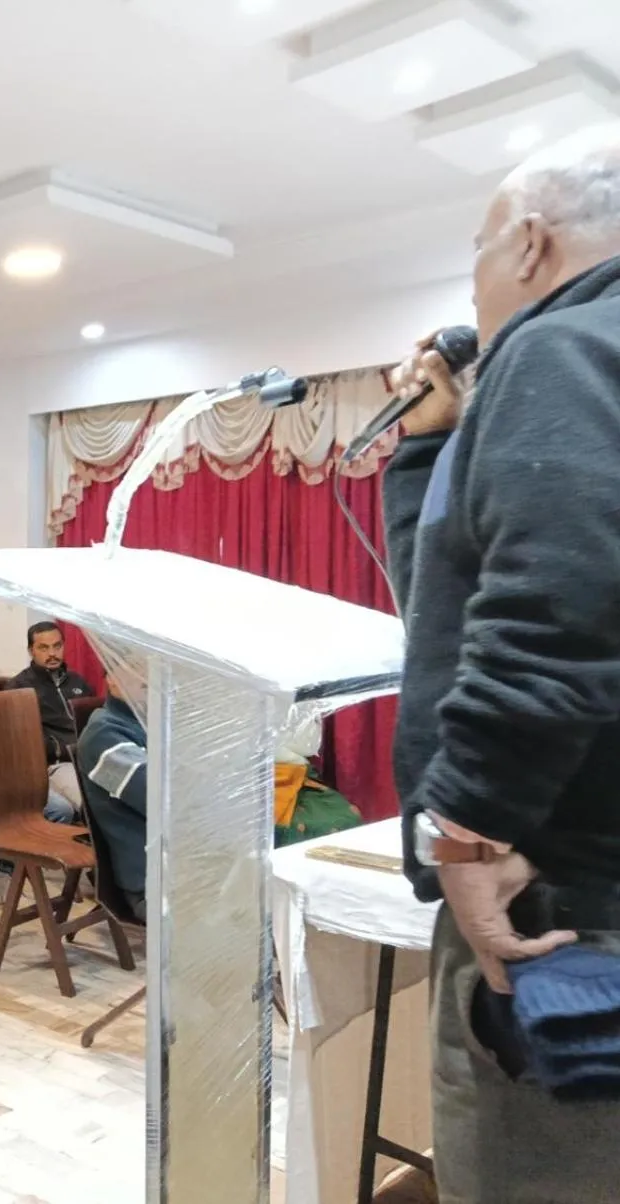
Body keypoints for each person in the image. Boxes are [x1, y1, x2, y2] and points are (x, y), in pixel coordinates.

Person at [380, 125, 620, 1202]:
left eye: (475, 255)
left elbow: (557, 611)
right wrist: (429, 446)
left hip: (561, 898)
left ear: (528, 242)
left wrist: (467, 833)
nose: (473, 291)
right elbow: (453, 609)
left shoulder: (560, 346)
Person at [76, 674, 149, 922]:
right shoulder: (103, 736)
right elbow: (164, 802)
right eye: (138, 672)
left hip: (189, 868)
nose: (150, 678)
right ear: (113, 679)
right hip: (154, 884)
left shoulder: (149, 722)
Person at [4, 621, 92, 822]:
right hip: (57, 765)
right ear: (31, 651)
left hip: (90, 758)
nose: (52, 653)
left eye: (57, 646)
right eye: (44, 648)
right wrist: (66, 749)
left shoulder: (78, 682)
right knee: (93, 803)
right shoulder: (19, 688)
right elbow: (23, 741)